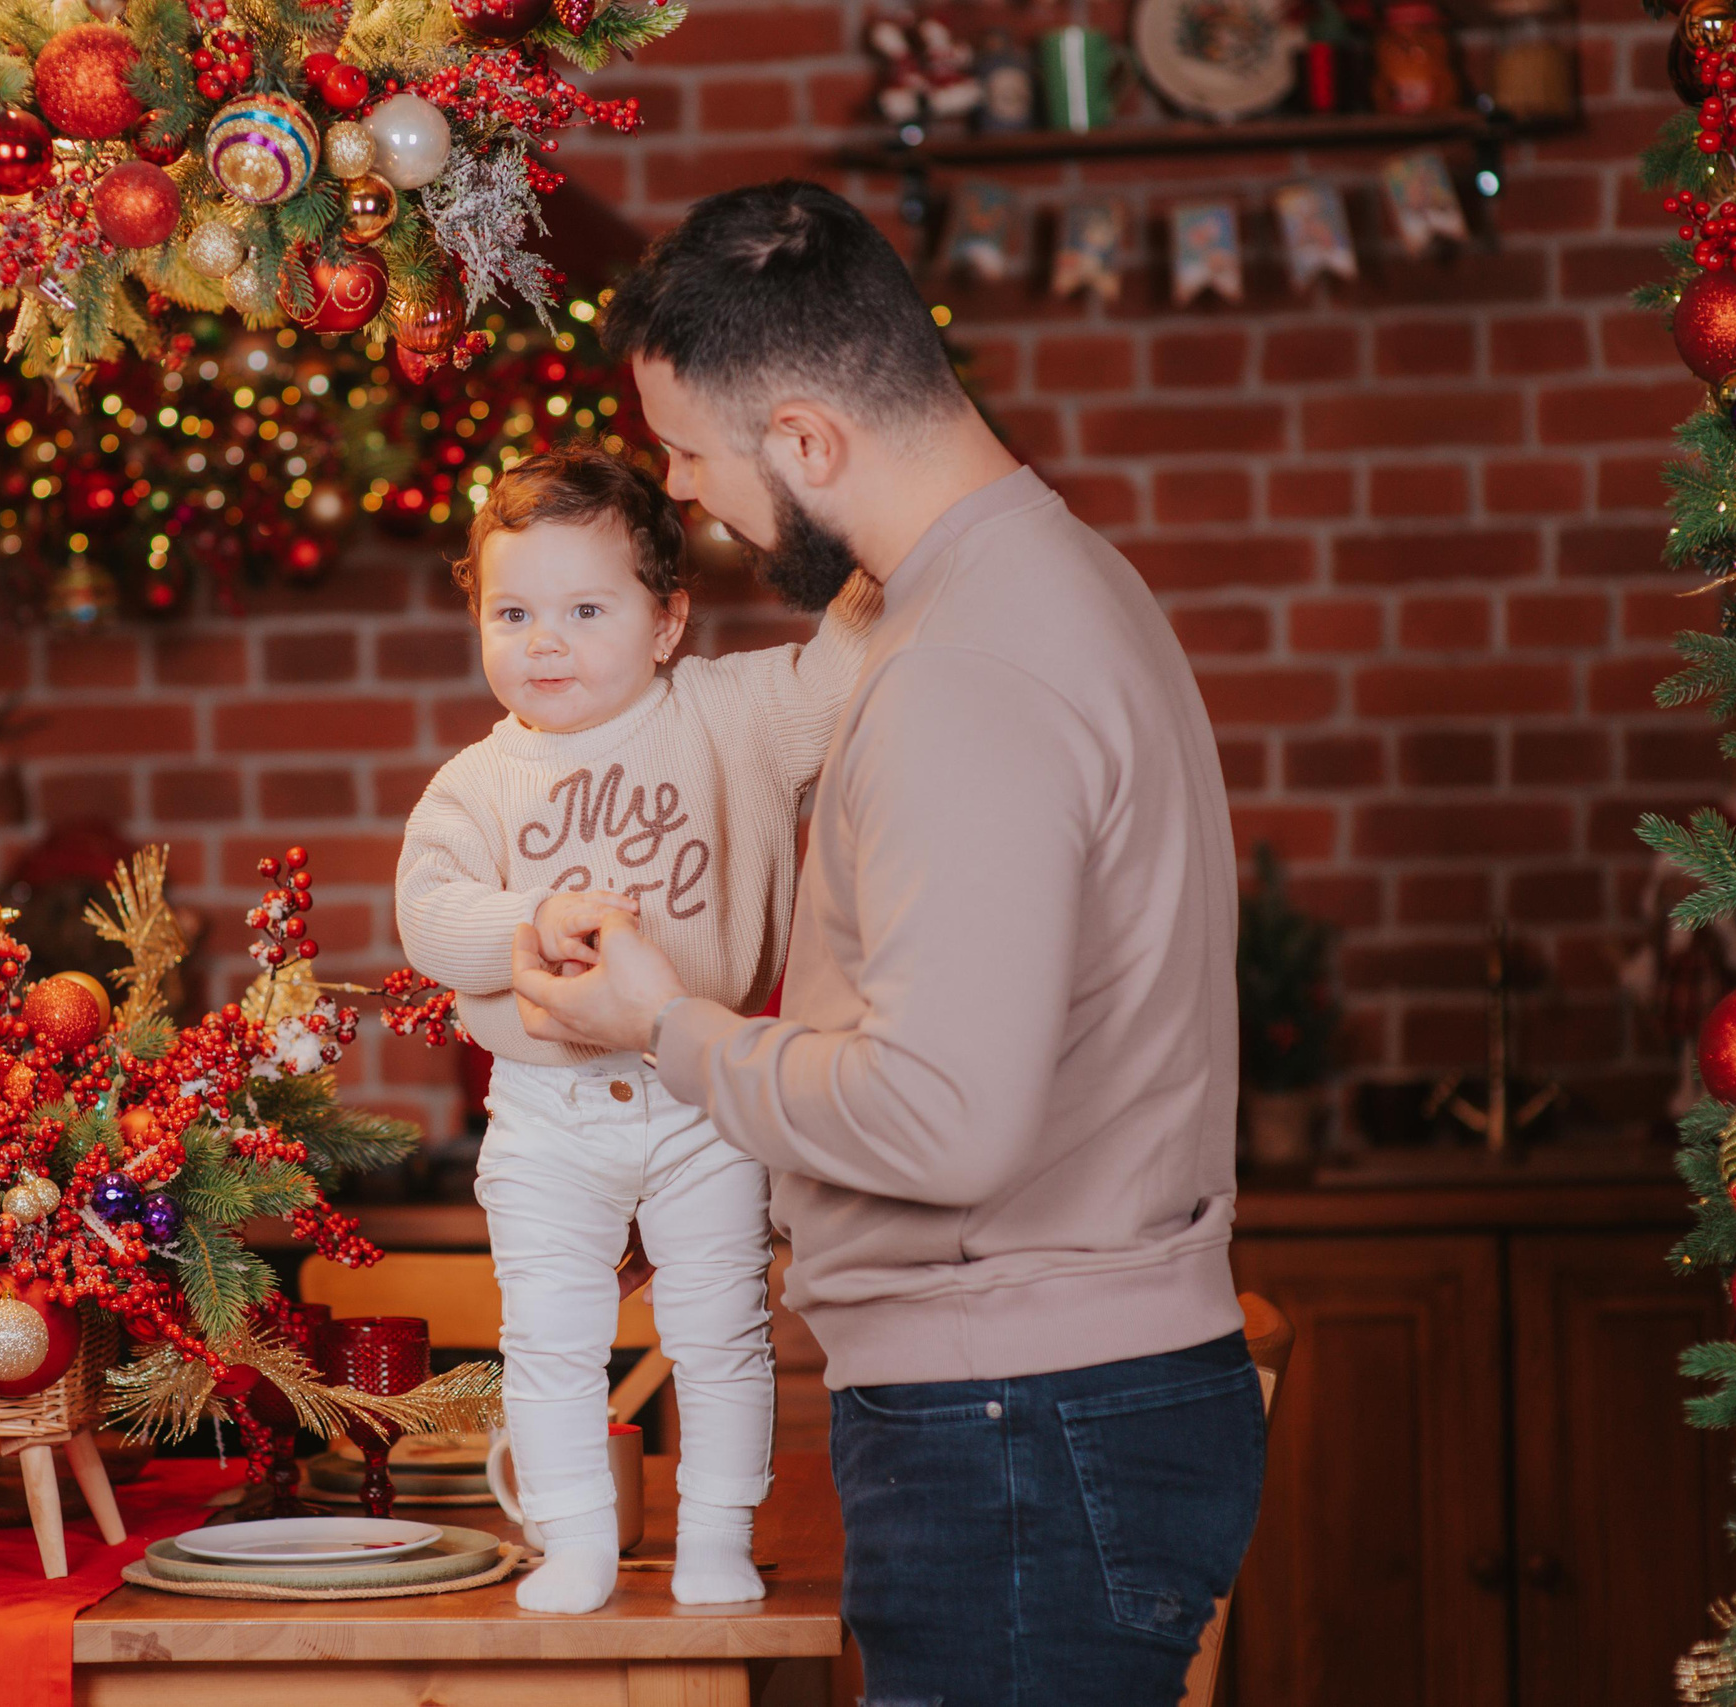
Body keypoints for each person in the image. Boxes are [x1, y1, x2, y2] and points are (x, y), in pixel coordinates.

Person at [508, 181, 1263, 1701]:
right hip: (1048, 1412)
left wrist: (663, 1023)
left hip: (1017, 1424)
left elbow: (945, 1116)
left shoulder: (962, 670)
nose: (686, 494)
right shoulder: (1039, 578)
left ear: (805, 441)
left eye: (691, 453)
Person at [394, 444, 876, 1614]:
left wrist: (881, 528)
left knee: (719, 1329)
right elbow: (428, 915)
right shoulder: (479, 781)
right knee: (548, 1340)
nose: (543, 641)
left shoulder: (733, 714)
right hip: (547, 1114)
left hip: (701, 1092)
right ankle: (576, 1542)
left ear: (668, 624)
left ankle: (715, 1534)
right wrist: (533, 915)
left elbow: (850, 665)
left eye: (583, 609)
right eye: (511, 612)